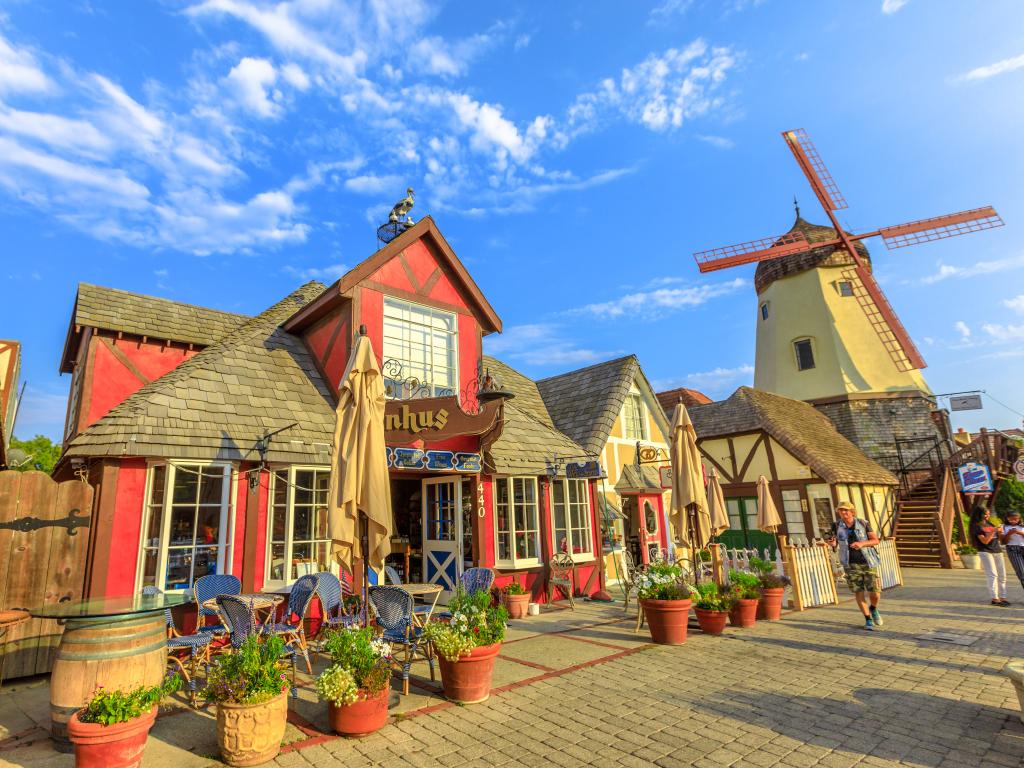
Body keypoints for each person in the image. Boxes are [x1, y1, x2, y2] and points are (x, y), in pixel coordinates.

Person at [828, 501, 883, 630]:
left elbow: (875, 540)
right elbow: (835, 543)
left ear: (852, 511)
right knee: (858, 591)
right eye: (841, 510)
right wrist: (832, 544)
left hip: (868, 561)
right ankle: (868, 619)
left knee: (875, 592)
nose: (843, 513)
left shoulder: (863, 523)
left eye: (846, 510)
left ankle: (873, 608)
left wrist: (862, 544)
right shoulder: (836, 525)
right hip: (850, 564)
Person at [969, 502, 1008, 606]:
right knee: (992, 575)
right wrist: (993, 531)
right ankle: (995, 599)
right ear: (979, 514)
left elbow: (999, 539)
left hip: (997, 550)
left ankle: (1003, 597)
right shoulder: (976, 526)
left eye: (989, 514)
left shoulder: (990, 524)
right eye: (985, 514)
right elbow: (985, 541)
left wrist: (1000, 532)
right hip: (985, 551)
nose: (988, 516)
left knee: (1002, 575)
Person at [998, 509, 1024, 595]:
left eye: (1016, 519)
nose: (1013, 521)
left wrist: (1019, 532)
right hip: (1013, 550)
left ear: (1019, 518)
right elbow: (1003, 542)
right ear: (1007, 518)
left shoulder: (1022, 526)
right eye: (1011, 519)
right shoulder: (1003, 527)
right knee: (1021, 573)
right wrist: (1009, 534)